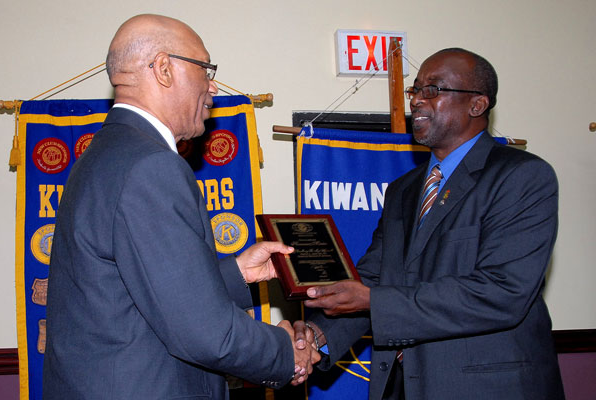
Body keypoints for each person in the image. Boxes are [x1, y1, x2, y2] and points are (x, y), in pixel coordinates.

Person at [43, 14, 318, 399]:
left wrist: (237, 274)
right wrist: (285, 354)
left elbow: (142, 296)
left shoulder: (107, 154)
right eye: (205, 68)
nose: (213, 85)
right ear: (164, 69)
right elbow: (203, 333)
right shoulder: (149, 166)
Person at [296, 48, 565, 399]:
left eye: (433, 90)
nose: (418, 101)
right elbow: (375, 278)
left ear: (477, 105)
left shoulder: (522, 176)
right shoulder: (403, 190)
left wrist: (373, 301)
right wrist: (318, 337)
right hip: (402, 385)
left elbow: (502, 292)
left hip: (487, 388)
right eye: (416, 90)